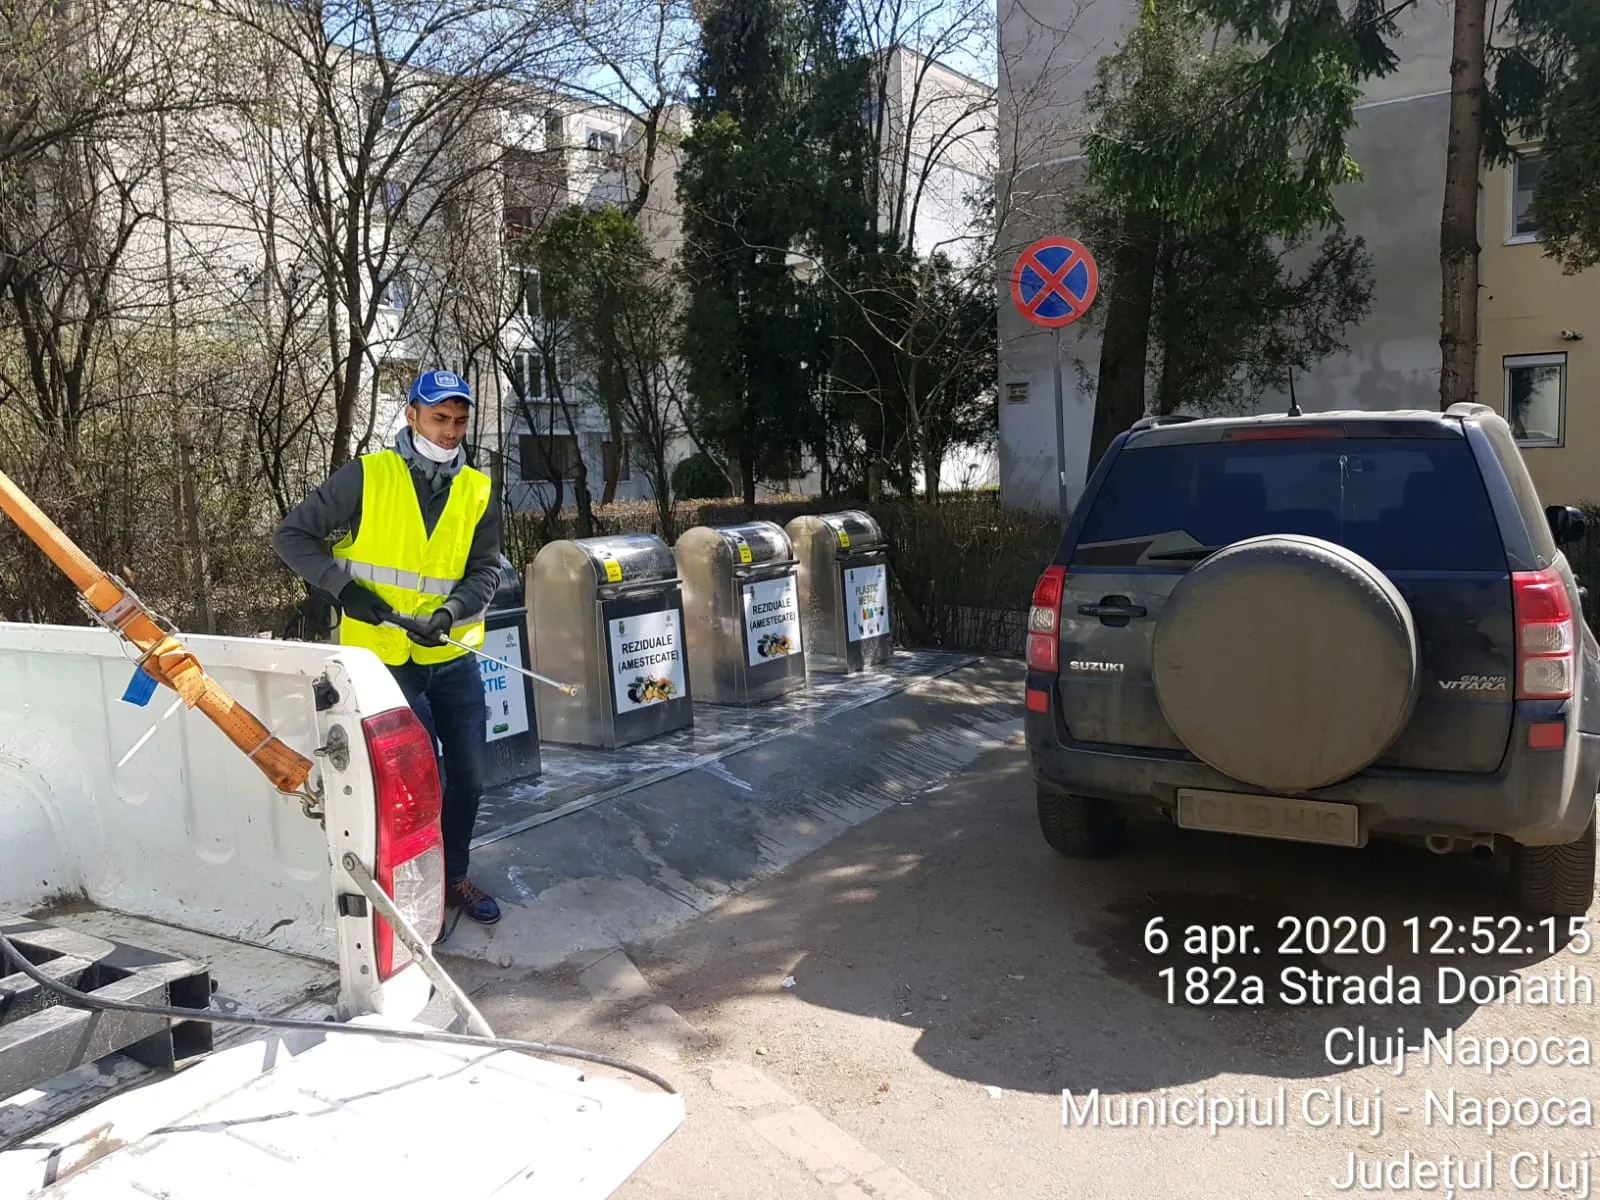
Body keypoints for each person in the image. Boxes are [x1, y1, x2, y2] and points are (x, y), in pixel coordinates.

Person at [274, 369, 503, 929]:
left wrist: (449, 613)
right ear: (411, 416)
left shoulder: (477, 489)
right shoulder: (368, 475)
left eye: (460, 421)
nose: (450, 431)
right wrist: (344, 590)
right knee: (419, 786)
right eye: (439, 418)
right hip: (383, 661)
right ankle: (415, 894)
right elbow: (292, 536)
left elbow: (486, 570)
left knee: (470, 779)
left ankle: (453, 878)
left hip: (450, 655)